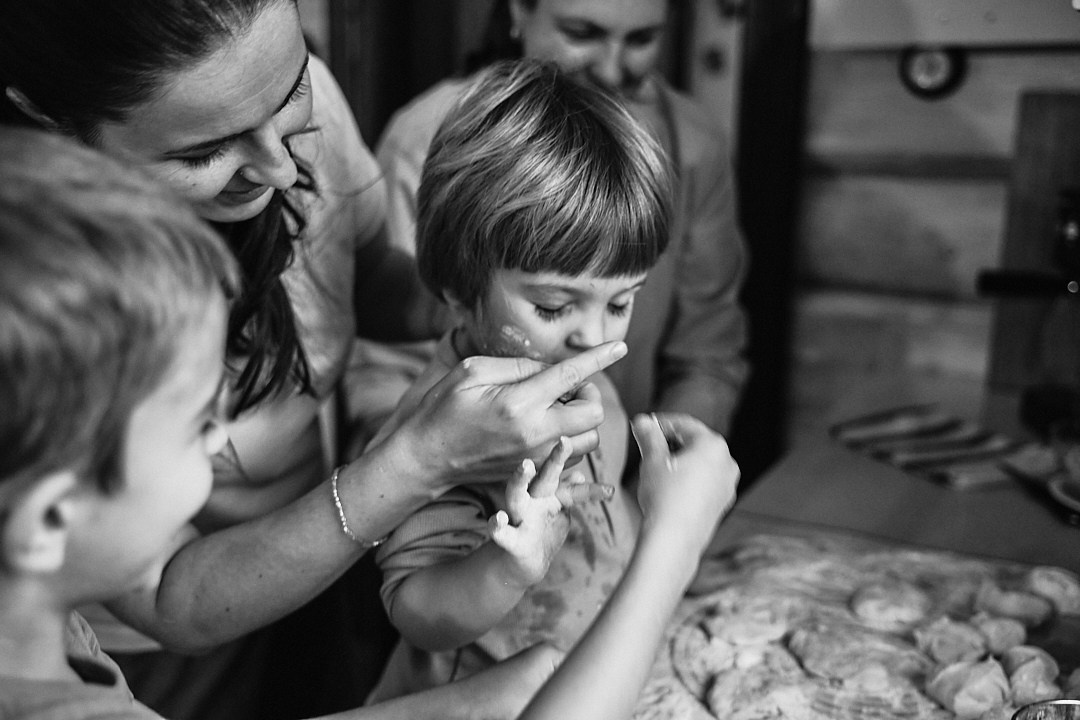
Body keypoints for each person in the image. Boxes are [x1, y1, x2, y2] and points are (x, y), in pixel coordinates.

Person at [0, 2, 622, 717]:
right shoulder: (42, 293)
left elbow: (371, 279)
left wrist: (505, 289)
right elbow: (174, 596)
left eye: (292, 91)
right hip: (175, 649)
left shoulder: (264, 95)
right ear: (53, 126)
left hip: (327, 564)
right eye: (205, 153)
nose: (278, 166)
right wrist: (419, 459)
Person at [364, 59, 678, 701]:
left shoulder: (567, 370)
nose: (595, 337)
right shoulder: (446, 430)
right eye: (554, 307)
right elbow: (417, 611)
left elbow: (599, 502)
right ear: (458, 289)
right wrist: (507, 564)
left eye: (621, 302)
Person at [372, 0, 750, 440]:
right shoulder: (432, 143)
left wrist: (654, 468)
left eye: (641, 40)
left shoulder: (694, 143)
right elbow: (385, 376)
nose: (611, 71)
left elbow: (708, 351)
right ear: (518, 11)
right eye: (581, 33)